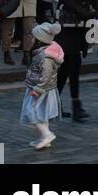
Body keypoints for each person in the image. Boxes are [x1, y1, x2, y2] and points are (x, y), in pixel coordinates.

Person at [56, 0, 98, 122]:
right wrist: (85, 12)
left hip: (83, 24)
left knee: (74, 64)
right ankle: (65, 102)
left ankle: (71, 103)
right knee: (69, 62)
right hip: (68, 24)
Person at [21, 21, 64, 150]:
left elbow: (45, 76)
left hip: (40, 89)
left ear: (39, 40)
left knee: (31, 111)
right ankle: (44, 138)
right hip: (43, 88)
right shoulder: (43, 53)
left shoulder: (45, 57)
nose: (31, 39)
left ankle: (47, 134)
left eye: (33, 37)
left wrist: (37, 89)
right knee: (41, 113)